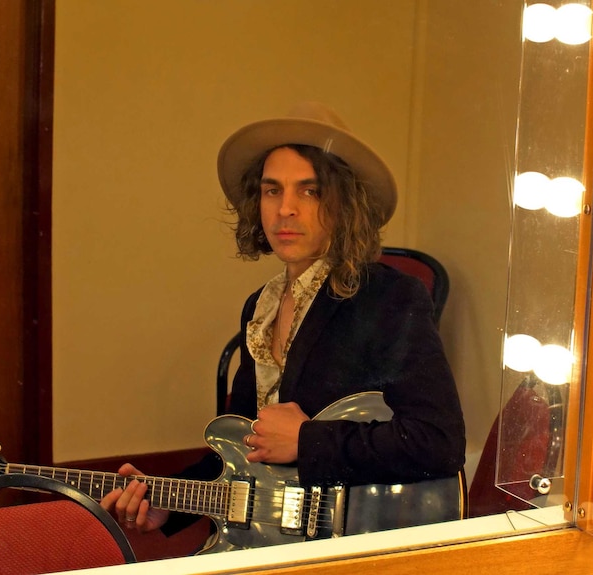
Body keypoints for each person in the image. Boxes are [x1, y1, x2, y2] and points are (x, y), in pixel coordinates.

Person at [100, 101, 466, 539]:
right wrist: (169, 501)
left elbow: (438, 443)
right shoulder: (262, 305)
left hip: (360, 543)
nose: (285, 209)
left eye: (310, 191)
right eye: (272, 190)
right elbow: (240, 445)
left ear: (344, 204)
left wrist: (307, 440)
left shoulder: (389, 296)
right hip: (276, 539)